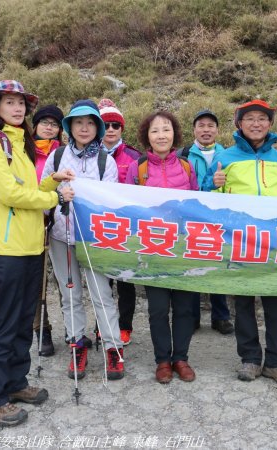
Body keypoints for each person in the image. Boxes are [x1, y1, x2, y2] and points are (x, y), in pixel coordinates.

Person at [0, 80, 74, 426]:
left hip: (32, 246)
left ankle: (15, 383)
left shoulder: (21, 144)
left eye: (21, 103)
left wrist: (51, 182)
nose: (18, 108)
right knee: (3, 325)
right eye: (10, 102)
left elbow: (27, 189)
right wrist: (54, 198)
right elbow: (8, 193)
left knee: (21, 323)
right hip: (5, 249)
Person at [202, 99, 277, 386]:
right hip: (239, 242)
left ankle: (276, 362)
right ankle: (249, 359)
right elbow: (205, 200)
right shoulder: (226, 158)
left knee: (274, 303)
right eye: (250, 119)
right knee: (243, 302)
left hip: (273, 244)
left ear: (270, 124)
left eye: (262, 118)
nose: (256, 123)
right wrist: (213, 183)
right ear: (239, 124)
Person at [42, 99, 125, 381]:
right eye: (78, 122)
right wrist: (55, 192)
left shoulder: (107, 161)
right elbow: (43, 195)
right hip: (61, 237)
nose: (84, 128)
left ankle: (113, 347)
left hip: (94, 241)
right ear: (70, 127)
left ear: (98, 128)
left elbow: (111, 203)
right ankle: (76, 344)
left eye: (90, 123)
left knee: (102, 295)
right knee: (70, 295)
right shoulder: (56, 158)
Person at [125, 111, 199, 384]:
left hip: (180, 247)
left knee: (183, 308)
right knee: (157, 309)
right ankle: (162, 361)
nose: (161, 135)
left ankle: (181, 358)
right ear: (147, 136)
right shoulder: (139, 168)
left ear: (175, 134)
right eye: (155, 131)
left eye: (166, 129)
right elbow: (128, 207)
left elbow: (196, 206)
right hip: (152, 248)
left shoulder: (187, 166)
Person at [179, 109, 234, 335]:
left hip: (219, 219)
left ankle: (220, 317)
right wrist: (209, 184)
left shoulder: (229, 155)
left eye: (211, 125)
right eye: (201, 125)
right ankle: (191, 317)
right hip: (192, 219)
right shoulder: (183, 155)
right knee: (192, 267)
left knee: (218, 267)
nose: (206, 130)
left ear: (218, 130)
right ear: (193, 130)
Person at [98, 98, 141, 346]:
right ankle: (102, 326)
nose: (111, 129)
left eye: (116, 125)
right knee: (101, 283)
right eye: (106, 125)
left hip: (128, 231)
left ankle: (124, 327)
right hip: (100, 228)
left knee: (126, 283)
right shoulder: (88, 155)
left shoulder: (134, 156)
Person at [31, 104, 65, 357]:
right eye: (45, 122)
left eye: (54, 124)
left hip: (59, 221)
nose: (49, 127)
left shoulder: (64, 153)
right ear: (35, 125)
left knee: (65, 280)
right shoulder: (23, 151)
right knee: (36, 281)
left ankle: (72, 329)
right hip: (31, 222)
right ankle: (42, 330)